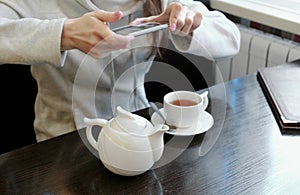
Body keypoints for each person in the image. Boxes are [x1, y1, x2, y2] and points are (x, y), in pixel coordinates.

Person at [0, 0, 240, 142]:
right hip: (61, 142)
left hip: (139, 133)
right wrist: (63, 34)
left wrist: (190, 25)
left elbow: (231, 38)